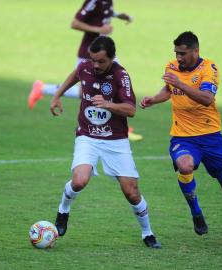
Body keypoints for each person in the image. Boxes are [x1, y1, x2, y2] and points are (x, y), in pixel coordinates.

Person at [140, 31, 222, 245]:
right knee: (184, 165)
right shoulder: (172, 66)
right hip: (183, 137)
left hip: (211, 138)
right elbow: (169, 88)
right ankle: (196, 213)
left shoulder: (209, 68)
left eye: (182, 53)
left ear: (195, 51)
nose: (178, 58)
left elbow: (207, 99)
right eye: (176, 53)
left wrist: (181, 84)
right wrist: (154, 99)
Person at [50, 36, 161, 248]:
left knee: (131, 192)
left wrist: (108, 104)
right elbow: (75, 74)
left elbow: (131, 110)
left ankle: (148, 233)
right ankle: (63, 211)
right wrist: (57, 95)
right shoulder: (86, 67)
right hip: (88, 136)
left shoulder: (121, 76)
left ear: (112, 58)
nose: (96, 65)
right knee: (80, 180)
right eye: (93, 60)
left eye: (101, 61)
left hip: (115, 140)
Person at [28, 0, 143, 141]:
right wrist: (98, 30)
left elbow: (101, 14)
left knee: (102, 90)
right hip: (91, 54)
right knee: (108, 89)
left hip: (105, 54)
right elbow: (75, 23)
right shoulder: (93, 1)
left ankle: (43, 89)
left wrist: (118, 15)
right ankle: (116, 127)